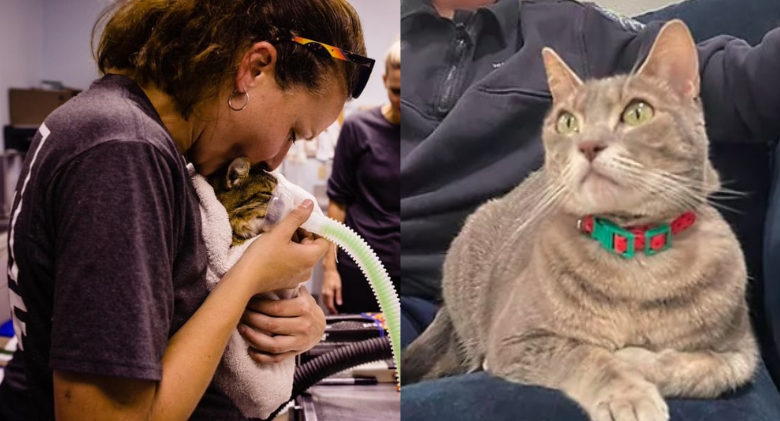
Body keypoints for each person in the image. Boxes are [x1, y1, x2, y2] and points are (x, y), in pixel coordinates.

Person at [400, 0, 780, 419]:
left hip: (520, 287)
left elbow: (746, 80)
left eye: (633, 114)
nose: (588, 142)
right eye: (568, 124)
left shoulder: (575, 26)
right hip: (383, 282)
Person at [0, 1, 375, 420]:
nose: (274, 161)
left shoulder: (125, 134)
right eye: (291, 132)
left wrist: (297, 320)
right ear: (255, 68)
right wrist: (251, 273)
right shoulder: (124, 150)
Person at [322, 40, 401, 314]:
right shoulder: (359, 129)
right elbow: (338, 203)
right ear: (384, 80)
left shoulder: (433, 134)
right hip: (361, 268)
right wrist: (329, 269)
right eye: (396, 91)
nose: (403, 101)